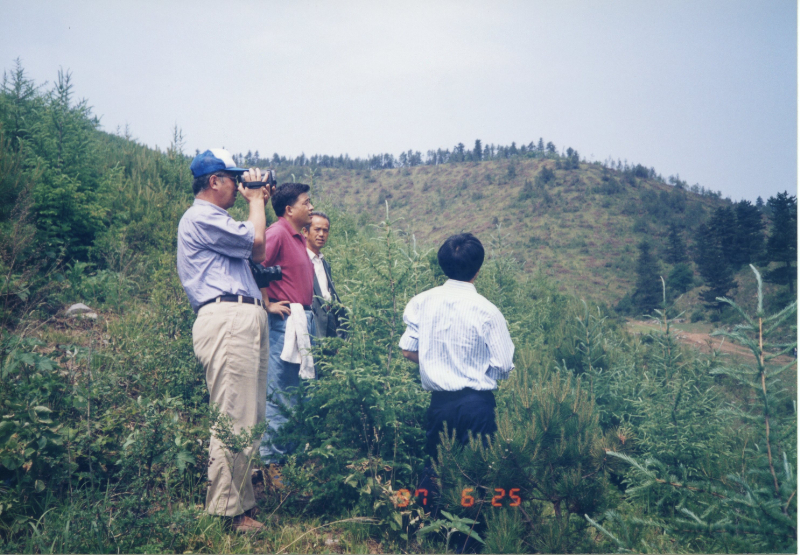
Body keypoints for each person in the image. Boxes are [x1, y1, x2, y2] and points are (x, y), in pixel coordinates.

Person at [177, 148, 279, 532]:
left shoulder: (218, 221)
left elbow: (256, 251)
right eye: (233, 179)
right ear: (213, 180)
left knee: (248, 416)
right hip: (227, 318)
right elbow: (258, 244)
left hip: (240, 316)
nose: (239, 186)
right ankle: (226, 513)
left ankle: (240, 506)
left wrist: (258, 202)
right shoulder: (201, 216)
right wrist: (256, 202)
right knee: (234, 416)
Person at [399, 233, 515, 500]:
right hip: (478, 405)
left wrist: (438, 361)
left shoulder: (422, 302)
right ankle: (472, 525)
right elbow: (503, 366)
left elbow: (407, 350)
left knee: (435, 469)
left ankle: (428, 520)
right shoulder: (488, 311)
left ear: (443, 264)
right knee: (478, 475)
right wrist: (473, 367)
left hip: (440, 404)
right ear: (478, 269)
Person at [258, 183, 317, 469]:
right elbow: (255, 264)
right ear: (289, 209)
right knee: (281, 392)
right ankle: (273, 464)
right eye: (306, 202)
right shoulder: (278, 232)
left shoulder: (296, 237)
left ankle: (290, 464)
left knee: (298, 394)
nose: (311, 207)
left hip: (301, 321)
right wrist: (266, 302)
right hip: (285, 322)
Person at [302, 211, 346, 340]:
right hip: (310, 326)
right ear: (305, 232)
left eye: (325, 230)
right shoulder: (300, 260)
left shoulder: (325, 264)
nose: (321, 234)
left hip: (329, 327)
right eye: (317, 229)